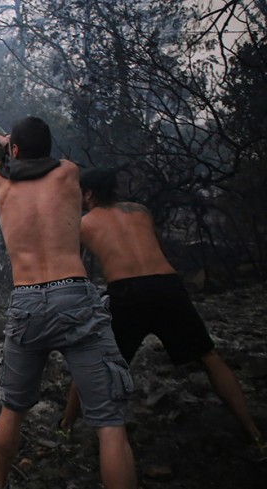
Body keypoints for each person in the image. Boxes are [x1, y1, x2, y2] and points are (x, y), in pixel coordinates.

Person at [0, 115, 137, 489]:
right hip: (75, 298)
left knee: (12, 411)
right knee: (110, 424)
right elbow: (36, 159)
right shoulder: (69, 172)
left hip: (27, 302)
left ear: (13, 150)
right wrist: (9, 140)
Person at [58, 167, 264, 450]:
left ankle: (66, 427)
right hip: (168, 286)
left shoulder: (83, 223)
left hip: (128, 292)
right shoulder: (140, 211)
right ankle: (254, 432)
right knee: (209, 356)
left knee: (92, 361)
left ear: (89, 194)